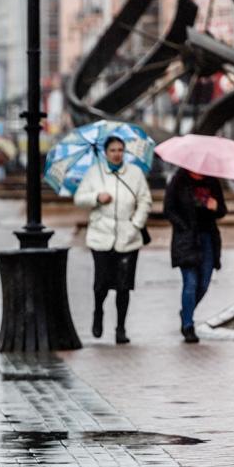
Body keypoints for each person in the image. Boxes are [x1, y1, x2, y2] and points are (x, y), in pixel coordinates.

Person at [74, 136, 153, 344]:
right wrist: (96, 197)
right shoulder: (95, 173)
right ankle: (98, 311)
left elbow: (145, 200)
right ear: (105, 153)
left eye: (120, 150)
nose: (117, 154)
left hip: (128, 238)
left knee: (123, 285)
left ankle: (120, 327)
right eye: (112, 150)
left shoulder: (135, 174)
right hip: (101, 235)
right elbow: (79, 198)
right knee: (101, 284)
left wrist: (136, 223)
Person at [164, 168, 227, 343]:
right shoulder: (178, 180)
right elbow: (168, 209)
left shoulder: (212, 181)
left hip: (208, 238)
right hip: (186, 239)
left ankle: (186, 310)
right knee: (190, 282)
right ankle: (188, 325)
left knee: (204, 283)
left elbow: (222, 210)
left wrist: (215, 207)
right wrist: (184, 227)